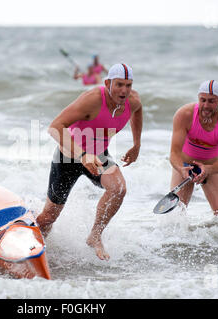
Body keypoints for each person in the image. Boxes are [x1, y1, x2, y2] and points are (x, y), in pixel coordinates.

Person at [37, 63, 143, 260]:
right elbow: (55, 127)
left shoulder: (132, 100)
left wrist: (136, 144)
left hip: (98, 156)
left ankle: (95, 235)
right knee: (49, 217)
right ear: (107, 82)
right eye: (119, 84)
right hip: (67, 156)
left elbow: (137, 112)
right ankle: (32, 245)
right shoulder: (93, 100)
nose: (124, 91)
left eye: (128, 85)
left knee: (118, 189)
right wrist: (82, 155)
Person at [169, 80, 218, 217]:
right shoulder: (184, 114)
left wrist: (207, 170)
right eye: (203, 100)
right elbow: (174, 153)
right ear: (198, 98)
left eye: (211, 101)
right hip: (185, 166)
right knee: (176, 216)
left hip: (211, 167)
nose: (206, 106)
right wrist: (180, 168)